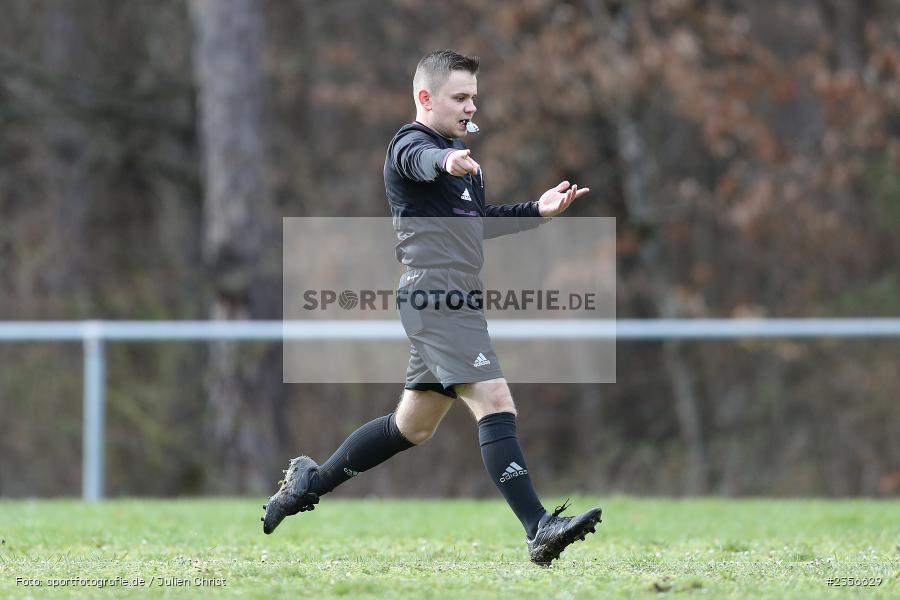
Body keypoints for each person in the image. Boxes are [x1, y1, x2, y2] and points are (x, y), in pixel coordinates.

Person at [263, 49, 599, 565]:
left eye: (473, 98)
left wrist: (537, 210)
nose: (471, 107)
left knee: (412, 426)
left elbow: (476, 224)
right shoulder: (411, 143)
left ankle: (310, 482)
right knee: (495, 399)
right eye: (460, 97)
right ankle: (539, 527)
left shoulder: (465, 163)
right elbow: (416, 160)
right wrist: (443, 161)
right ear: (426, 97)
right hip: (436, 296)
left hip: (453, 299)